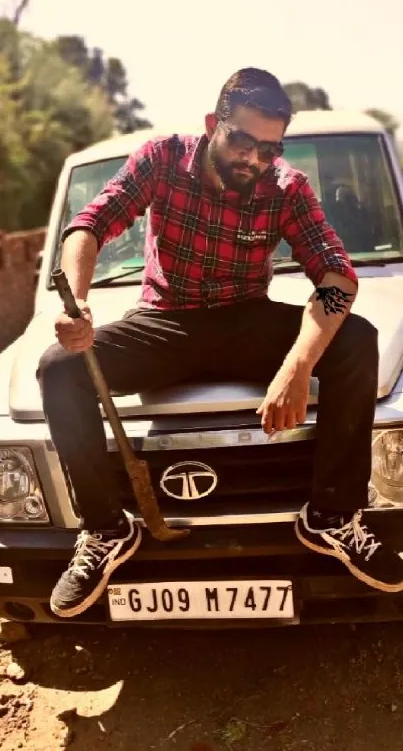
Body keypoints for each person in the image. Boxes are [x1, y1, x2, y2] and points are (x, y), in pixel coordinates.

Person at [37, 67, 403, 619]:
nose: (255, 160)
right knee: (59, 367)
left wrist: (297, 367)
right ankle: (106, 531)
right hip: (166, 321)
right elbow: (88, 225)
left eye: (270, 149)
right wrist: (79, 304)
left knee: (356, 339)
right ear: (214, 124)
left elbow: (337, 276)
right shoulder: (161, 159)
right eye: (244, 141)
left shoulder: (286, 188)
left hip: (244, 320)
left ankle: (331, 517)